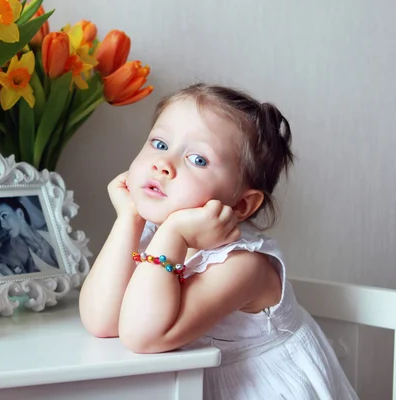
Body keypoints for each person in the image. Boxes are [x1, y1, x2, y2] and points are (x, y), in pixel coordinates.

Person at [79, 83, 358, 399]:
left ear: (240, 205)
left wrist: (174, 234)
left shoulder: (243, 266)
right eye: (158, 143)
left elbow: (143, 337)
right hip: (191, 384)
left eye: (198, 159)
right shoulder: (157, 237)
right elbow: (102, 321)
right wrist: (129, 218)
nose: (163, 164)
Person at [0, 197, 59, 274]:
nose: (3, 225)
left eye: (4, 216)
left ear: (20, 213)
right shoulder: (20, 256)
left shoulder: (51, 232)